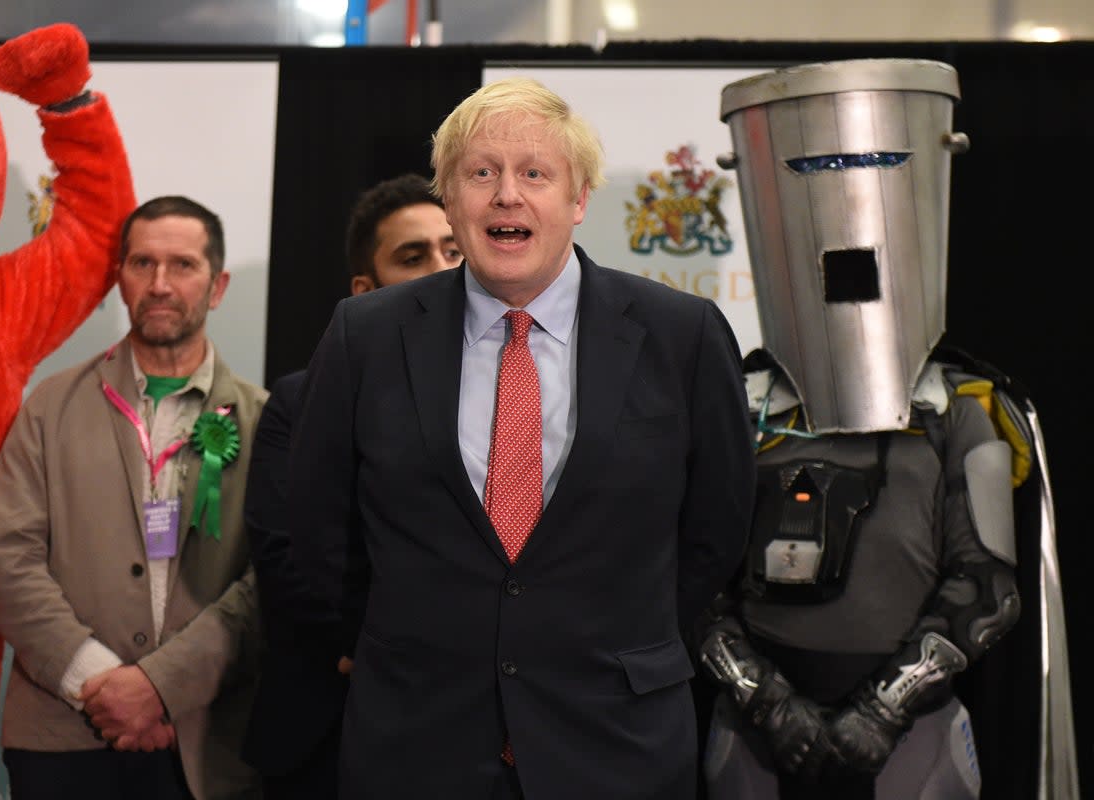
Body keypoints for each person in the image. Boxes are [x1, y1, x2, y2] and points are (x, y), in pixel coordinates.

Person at [281, 76, 756, 799]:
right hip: (415, 745)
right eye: (481, 174)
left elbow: (716, 531)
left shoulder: (681, 336)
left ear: (578, 199)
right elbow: (320, 533)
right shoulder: (365, 336)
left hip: (616, 745)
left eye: (535, 173)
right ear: (451, 198)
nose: (508, 195)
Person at [697, 58, 1076, 800]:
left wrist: (884, 707)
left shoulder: (961, 409)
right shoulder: (735, 409)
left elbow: (989, 586)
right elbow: (691, 581)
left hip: (911, 737)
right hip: (756, 733)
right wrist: (769, 703)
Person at [0, 195, 269, 800]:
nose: (160, 284)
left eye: (183, 265)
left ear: (217, 287)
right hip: (65, 734)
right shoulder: (48, 408)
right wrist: (104, 685)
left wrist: (163, 686)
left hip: (208, 743)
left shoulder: (268, 421)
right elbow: (9, 558)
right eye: (142, 264)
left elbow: (268, 581)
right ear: (120, 278)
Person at [242, 172, 462, 797]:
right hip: (328, 723)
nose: (441, 268)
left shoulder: (523, 399)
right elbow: (286, 550)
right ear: (365, 290)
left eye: (453, 250)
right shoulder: (300, 400)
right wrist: (377, 645)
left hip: (473, 725)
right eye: (412, 256)